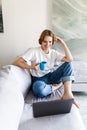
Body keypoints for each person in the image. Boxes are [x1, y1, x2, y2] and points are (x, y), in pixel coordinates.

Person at [13, 29, 79, 108]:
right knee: (38, 90)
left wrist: (63, 43)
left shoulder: (53, 53)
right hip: (38, 80)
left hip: (51, 76)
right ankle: (56, 87)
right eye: (45, 41)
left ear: (52, 42)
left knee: (68, 64)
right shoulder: (33, 51)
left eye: (50, 42)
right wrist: (31, 66)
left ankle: (67, 93)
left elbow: (69, 59)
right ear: (41, 41)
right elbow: (16, 62)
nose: (47, 44)